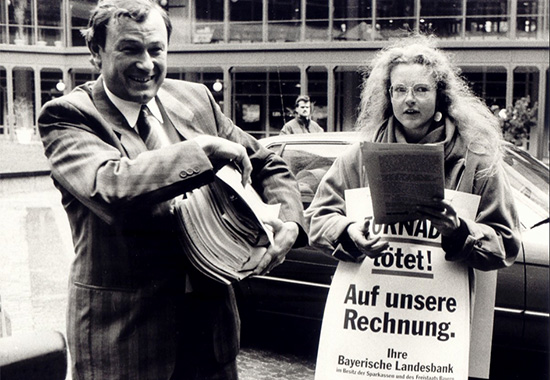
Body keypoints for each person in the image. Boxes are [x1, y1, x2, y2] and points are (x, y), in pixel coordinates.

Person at [38, 1, 306, 379]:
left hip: (211, 339)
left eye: (156, 49)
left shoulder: (195, 100)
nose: (146, 64)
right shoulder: (68, 116)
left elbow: (268, 163)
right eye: (130, 49)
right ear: (96, 53)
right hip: (125, 344)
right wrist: (202, 152)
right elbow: (110, 186)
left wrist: (290, 224)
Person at [306, 35, 520, 274]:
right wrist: (346, 232)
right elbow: (316, 219)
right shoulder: (359, 155)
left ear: (440, 94)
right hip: (374, 304)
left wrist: (459, 231)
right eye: (400, 89)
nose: (409, 99)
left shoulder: (477, 159)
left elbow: (507, 243)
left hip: (443, 305)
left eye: (421, 89)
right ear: (390, 94)